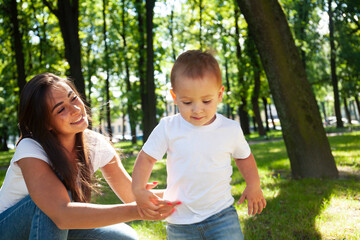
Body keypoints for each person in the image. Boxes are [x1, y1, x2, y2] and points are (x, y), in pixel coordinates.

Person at [0, 73, 178, 240]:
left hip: (59, 222)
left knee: (125, 237)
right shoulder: (30, 148)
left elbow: (132, 195)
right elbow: (61, 214)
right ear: (46, 123)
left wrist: (189, 192)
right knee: (47, 205)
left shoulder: (94, 143)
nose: (76, 109)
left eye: (74, 98)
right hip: (8, 229)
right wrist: (138, 210)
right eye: (61, 109)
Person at [132, 50, 267, 240]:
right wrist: (137, 189)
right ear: (174, 95)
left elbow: (243, 156)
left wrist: (253, 184)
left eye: (206, 101)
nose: (197, 110)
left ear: (220, 94)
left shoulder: (230, 129)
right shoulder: (168, 127)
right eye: (187, 102)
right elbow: (146, 157)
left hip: (222, 216)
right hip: (180, 221)